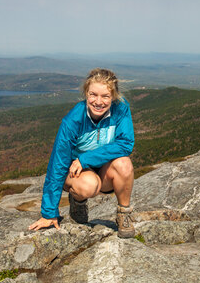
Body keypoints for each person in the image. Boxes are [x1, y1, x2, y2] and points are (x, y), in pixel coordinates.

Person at [28, 68, 136, 238]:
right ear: (86, 93)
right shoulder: (73, 121)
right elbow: (58, 164)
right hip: (77, 173)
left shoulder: (121, 109)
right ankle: (78, 201)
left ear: (113, 97)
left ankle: (124, 214)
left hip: (102, 171)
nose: (98, 102)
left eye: (105, 96)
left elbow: (125, 143)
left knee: (124, 164)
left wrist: (85, 159)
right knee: (88, 186)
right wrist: (49, 213)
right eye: (93, 94)